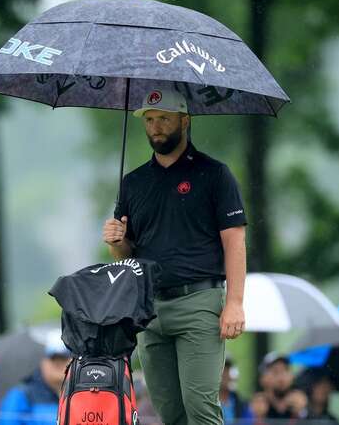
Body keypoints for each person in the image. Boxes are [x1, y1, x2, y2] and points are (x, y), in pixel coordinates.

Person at [102, 88, 248, 425]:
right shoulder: (133, 183)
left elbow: (235, 241)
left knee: (200, 406)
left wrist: (235, 303)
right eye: (150, 120)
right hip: (150, 309)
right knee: (169, 411)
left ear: (185, 121)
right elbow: (124, 254)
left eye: (164, 119)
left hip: (199, 303)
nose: (155, 127)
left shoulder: (215, 174)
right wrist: (116, 241)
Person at [0, 334, 72, 425]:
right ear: (43, 363)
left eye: (63, 359)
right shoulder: (21, 395)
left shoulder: (81, 394)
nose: (58, 364)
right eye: (53, 359)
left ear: (71, 362)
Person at [256, 352, 305, 419]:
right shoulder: (257, 406)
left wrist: (303, 412)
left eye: (285, 370)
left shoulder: (299, 402)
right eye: (275, 371)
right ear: (263, 378)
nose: (281, 377)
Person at [220, 357, 251, 423]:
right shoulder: (207, 402)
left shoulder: (241, 403)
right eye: (222, 370)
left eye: (227, 370)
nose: (225, 374)